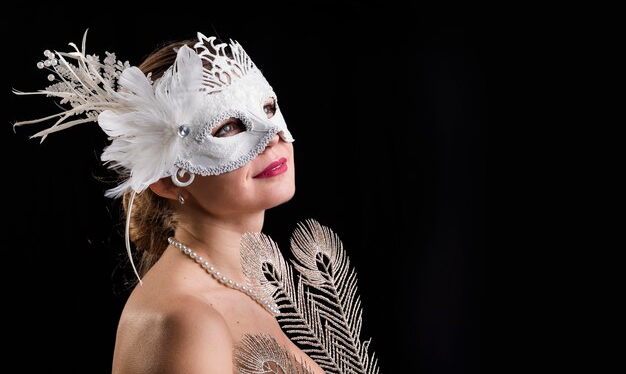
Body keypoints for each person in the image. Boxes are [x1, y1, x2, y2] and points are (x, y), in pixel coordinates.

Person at [14, 31, 379, 374]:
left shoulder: (249, 285)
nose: (271, 136)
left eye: (268, 107)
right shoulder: (185, 319)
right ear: (166, 180)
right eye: (228, 127)